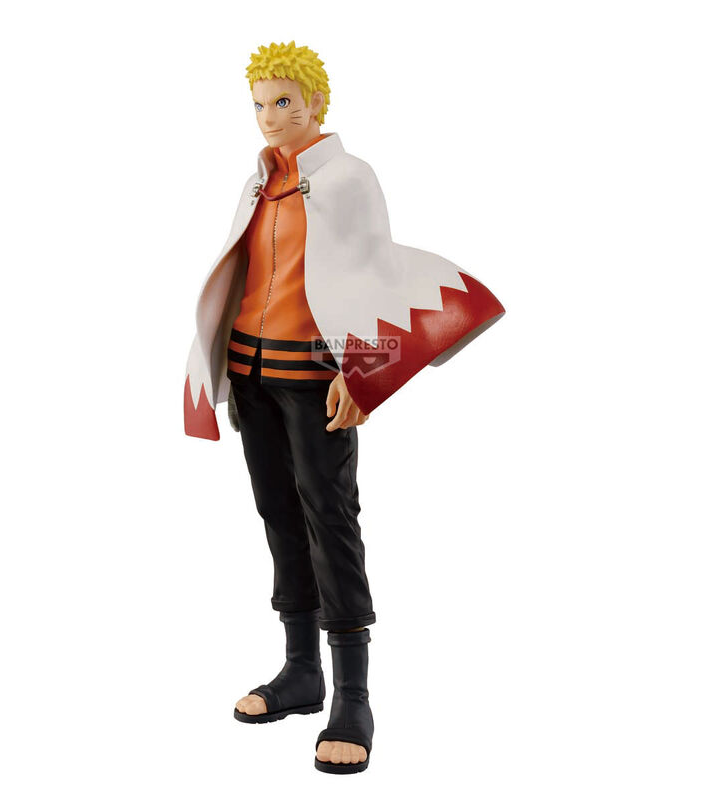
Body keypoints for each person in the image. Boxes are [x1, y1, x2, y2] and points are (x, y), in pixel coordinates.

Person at [183, 41, 504, 774]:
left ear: (316, 103)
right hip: (253, 369)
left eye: (284, 102)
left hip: (311, 372)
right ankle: (301, 670)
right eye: (259, 104)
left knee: (330, 517)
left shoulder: (349, 178)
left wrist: (365, 375)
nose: (270, 117)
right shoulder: (260, 180)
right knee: (277, 511)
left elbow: (374, 273)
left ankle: (353, 696)